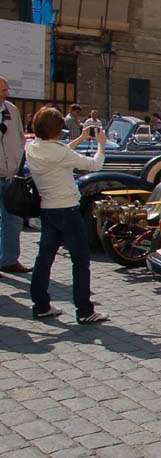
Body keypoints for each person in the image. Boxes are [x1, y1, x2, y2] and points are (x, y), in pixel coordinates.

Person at [26, 107, 109, 323]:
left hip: (48, 208)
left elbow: (60, 153)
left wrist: (80, 138)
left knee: (44, 259)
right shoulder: (59, 153)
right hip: (67, 209)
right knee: (80, 261)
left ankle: (41, 305)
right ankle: (84, 310)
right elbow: (94, 164)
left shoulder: (32, 147)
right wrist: (101, 145)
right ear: (56, 129)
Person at [0, 76, 31, 275]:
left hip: (10, 174)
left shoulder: (11, 110)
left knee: (13, 218)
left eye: (6, 90)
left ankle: (9, 260)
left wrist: (17, 162)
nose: (6, 94)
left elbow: (20, 138)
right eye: (2, 91)